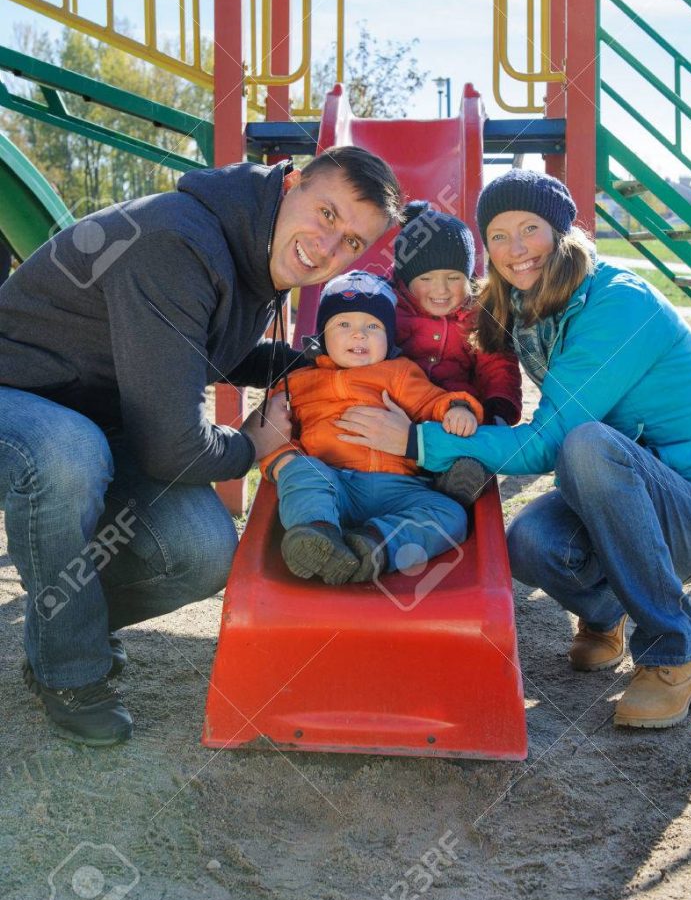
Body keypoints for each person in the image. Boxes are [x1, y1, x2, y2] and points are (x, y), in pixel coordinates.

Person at [0, 146, 402, 745]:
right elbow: (172, 449)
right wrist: (252, 445)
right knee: (68, 452)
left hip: (101, 415)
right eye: (325, 213)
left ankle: (66, 625)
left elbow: (205, 348)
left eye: (351, 242)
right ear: (291, 183)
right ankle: (69, 669)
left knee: (201, 551)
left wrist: (320, 370)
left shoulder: (253, 251)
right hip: (21, 397)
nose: (328, 247)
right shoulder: (179, 243)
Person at [337, 169, 691, 730]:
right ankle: (606, 613)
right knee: (528, 542)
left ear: (561, 233)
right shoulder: (529, 303)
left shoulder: (617, 305)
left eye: (529, 228)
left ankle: (673, 651)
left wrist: (413, 441)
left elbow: (550, 442)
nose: (514, 248)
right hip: (614, 499)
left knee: (586, 445)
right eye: (498, 236)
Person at [259, 270, 482, 585]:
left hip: (397, 489)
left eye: (372, 326)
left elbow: (431, 402)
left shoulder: (399, 374)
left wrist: (457, 408)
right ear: (322, 337)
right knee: (300, 471)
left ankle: (375, 546)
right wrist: (281, 460)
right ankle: (317, 535)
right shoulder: (297, 384)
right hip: (332, 485)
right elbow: (272, 435)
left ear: (389, 338)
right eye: (344, 325)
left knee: (451, 516)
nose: (359, 335)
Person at [392, 202, 522, 505]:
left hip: (459, 416)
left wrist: (498, 409)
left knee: (465, 445)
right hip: (403, 412)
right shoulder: (390, 309)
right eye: (425, 279)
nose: (441, 289)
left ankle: (457, 481)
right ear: (405, 281)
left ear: (468, 276)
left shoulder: (478, 315)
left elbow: (496, 363)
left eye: (453, 277)